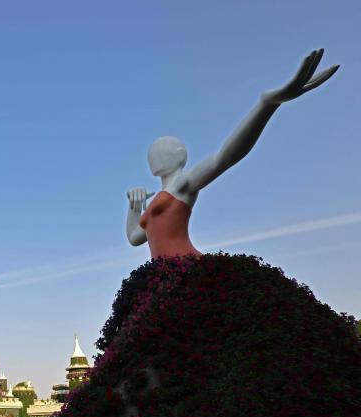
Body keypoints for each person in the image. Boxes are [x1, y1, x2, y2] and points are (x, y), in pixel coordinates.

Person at [126, 49, 339, 259]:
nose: (153, 155)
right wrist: (134, 207)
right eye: (152, 152)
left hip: (188, 268)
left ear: (180, 155)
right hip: (163, 278)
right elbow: (135, 238)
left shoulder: (183, 183)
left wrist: (266, 105)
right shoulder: (157, 200)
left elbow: (224, 158)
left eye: (161, 150)